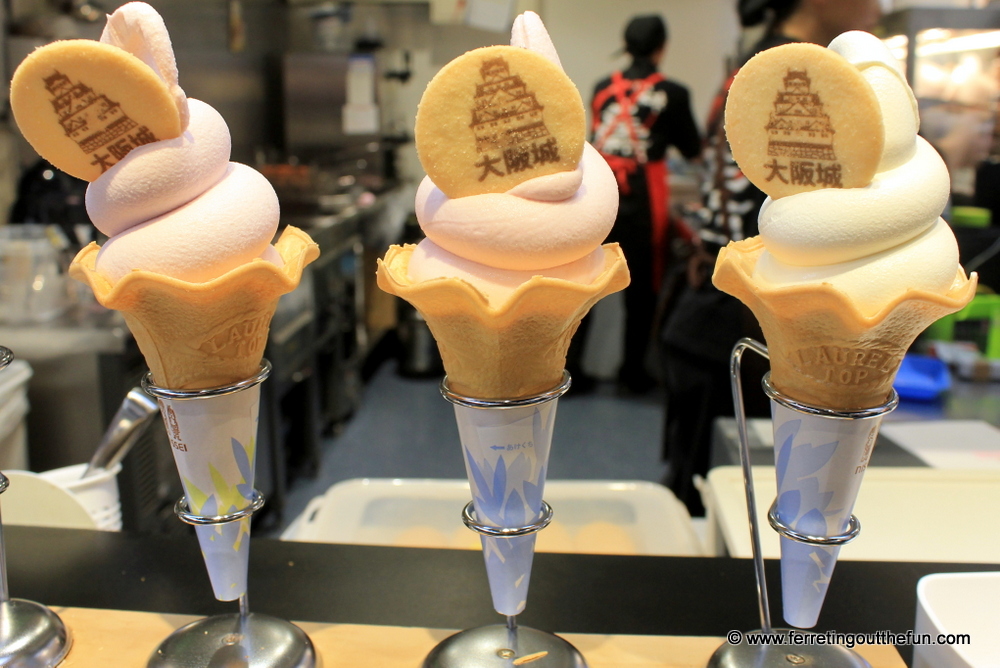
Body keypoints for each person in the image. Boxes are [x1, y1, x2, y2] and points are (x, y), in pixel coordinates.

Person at [659, 0, 883, 515]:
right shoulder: (794, 72)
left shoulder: (763, 60)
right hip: (741, 323)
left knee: (719, 494)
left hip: (715, 314)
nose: (881, 6)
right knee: (728, 500)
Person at [589, 14, 701, 395]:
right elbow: (693, 149)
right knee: (641, 289)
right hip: (642, 198)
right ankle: (632, 373)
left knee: (586, 280)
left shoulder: (603, 87)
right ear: (661, 48)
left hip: (598, 194)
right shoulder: (675, 93)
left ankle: (571, 367)